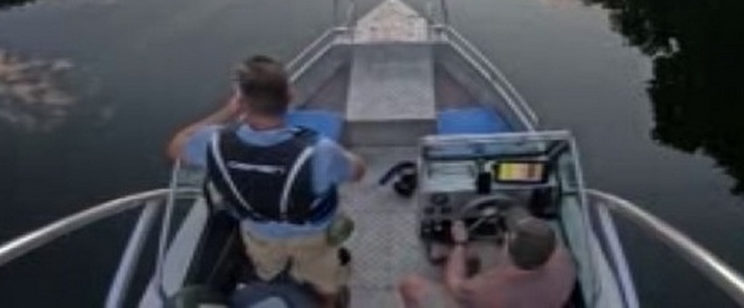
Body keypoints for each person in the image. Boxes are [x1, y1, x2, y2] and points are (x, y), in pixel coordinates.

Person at [166, 55, 366, 308]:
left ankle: (273, 282)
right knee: (326, 283)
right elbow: (358, 172)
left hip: (259, 235)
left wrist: (227, 112)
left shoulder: (212, 142)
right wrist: (341, 155)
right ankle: (328, 300)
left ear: (241, 101)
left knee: (267, 270)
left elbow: (176, 146)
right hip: (313, 238)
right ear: (290, 95)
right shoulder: (320, 152)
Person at [397, 214, 577, 308]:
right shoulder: (565, 262)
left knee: (411, 285)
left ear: (508, 249)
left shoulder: (483, 290)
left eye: (508, 238)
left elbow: (454, 284)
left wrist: (460, 243)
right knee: (483, 251)